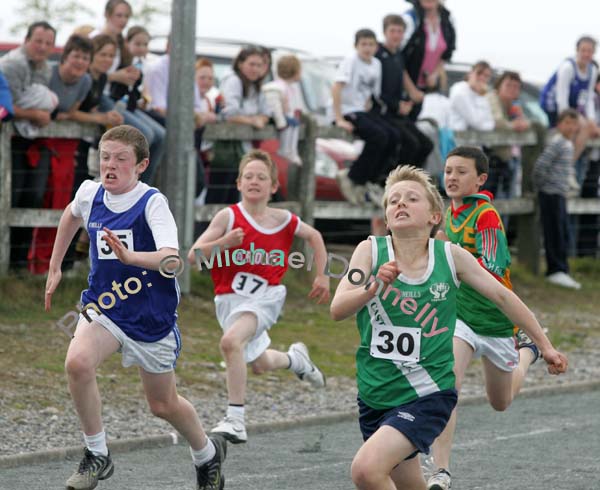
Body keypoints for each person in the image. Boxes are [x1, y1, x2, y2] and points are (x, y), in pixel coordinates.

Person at [329, 164, 568, 490]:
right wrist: (371, 288)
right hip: (375, 394)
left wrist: (545, 345)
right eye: (393, 201)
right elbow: (337, 308)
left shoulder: (450, 256)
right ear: (385, 219)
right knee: (410, 484)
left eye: (412, 198)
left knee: (366, 471)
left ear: (434, 217)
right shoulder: (368, 252)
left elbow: (502, 295)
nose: (400, 204)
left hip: (428, 393)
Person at [44, 125, 226, 490]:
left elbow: (172, 261)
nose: (110, 166)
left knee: (162, 405)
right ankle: (97, 454)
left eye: (121, 159)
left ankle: (207, 455)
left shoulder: (152, 203)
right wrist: (55, 265)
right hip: (104, 306)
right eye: (105, 157)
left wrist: (131, 257)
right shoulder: (90, 192)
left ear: (141, 165)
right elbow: (70, 215)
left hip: (150, 316)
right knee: (77, 363)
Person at [427, 145, 566, 490]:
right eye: (448, 171)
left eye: (461, 171)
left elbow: (492, 271)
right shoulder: (448, 213)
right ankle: (439, 471)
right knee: (447, 386)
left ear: (481, 179)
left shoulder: (486, 216)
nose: (452, 177)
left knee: (500, 402)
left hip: (497, 321)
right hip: (459, 318)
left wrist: (546, 346)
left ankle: (527, 352)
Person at [187, 149, 329, 444]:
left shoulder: (284, 219)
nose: (254, 181)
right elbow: (194, 256)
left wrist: (322, 275)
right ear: (238, 183)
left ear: (273, 187)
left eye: (261, 177)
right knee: (259, 364)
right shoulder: (227, 217)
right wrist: (225, 242)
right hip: (230, 301)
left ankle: (236, 419)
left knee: (230, 343)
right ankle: (296, 360)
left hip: (267, 296)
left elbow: (314, 236)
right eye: (248, 176)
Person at [0, 21, 56, 268]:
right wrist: (35, 114)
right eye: (38, 41)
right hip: (10, 141)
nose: (42, 47)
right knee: (9, 197)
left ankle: (19, 263)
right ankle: (7, 262)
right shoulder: (13, 65)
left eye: (48, 43)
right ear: (26, 39)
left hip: (34, 140)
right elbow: (6, 107)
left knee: (32, 196)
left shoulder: (46, 69)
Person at [332, 28, 401, 206]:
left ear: (376, 47)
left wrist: (370, 105)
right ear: (356, 46)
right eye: (363, 44)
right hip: (348, 110)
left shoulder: (376, 64)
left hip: (363, 110)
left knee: (393, 136)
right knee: (379, 136)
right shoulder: (351, 60)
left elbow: (372, 92)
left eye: (371, 44)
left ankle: (372, 179)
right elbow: (337, 87)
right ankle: (353, 176)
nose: (367, 48)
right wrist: (339, 118)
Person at [206, 45, 271, 204]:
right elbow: (229, 113)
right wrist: (252, 121)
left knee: (234, 196)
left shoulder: (256, 86)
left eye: (259, 65)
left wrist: (260, 119)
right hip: (226, 149)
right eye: (251, 64)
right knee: (219, 195)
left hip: (242, 150)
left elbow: (266, 112)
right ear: (241, 63)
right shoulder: (233, 80)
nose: (255, 69)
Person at [375, 14, 433, 170]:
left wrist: (409, 98)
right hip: (382, 112)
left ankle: (409, 181)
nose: (396, 35)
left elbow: (402, 77)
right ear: (385, 32)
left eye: (400, 31)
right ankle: (388, 181)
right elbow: (374, 90)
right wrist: (396, 105)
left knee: (426, 145)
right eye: (392, 31)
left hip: (398, 112)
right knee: (410, 144)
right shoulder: (377, 55)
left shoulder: (399, 56)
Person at [532, 109, 582, 290]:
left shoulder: (568, 144)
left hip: (560, 194)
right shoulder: (558, 143)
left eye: (574, 123)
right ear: (559, 124)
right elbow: (541, 166)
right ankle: (555, 270)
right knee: (554, 232)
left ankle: (562, 269)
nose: (571, 127)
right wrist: (542, 187)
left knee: (562, 231)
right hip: (550, 194)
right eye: (567, 122)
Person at [540, 35, 600, 162]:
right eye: (583, 50)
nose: (586, 54)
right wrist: (571, 121)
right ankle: (565, 164)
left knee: (586, 126)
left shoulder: (593, 70)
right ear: (577, 50)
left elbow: (588, 98)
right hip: (552, 105)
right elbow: (561, 98)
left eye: (590, 51)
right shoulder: (568, 67)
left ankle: (568, 163)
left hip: (572, 106)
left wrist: (591, 120)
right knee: (572, 129)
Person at [401, 0, 456, 120]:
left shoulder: (447, 20)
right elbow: (396, 57)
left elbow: (447, 53)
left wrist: (435, 73)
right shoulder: (410, 19)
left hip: (428, 89)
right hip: (404, 88)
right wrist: (411, 90)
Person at [485, 71, 531, 199]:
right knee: (491, 199)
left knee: (507, 197)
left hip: (508, 158)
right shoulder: (492, 97)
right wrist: (514, 126)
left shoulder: (514, 106)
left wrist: (522, 120)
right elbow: (497, 121)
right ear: (499, 85)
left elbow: (526, 123)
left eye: (516, 86)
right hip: (491, 158)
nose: (512, 89)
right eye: (508, 85)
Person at [262, 54, 303, 165]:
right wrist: (281, 121)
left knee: (295, 124)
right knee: (291, 125)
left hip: (285, 117)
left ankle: (291, 150)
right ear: (294, 71)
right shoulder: (277, 87)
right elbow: (274, 106)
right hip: (277, 117)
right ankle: (286, 149)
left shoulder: (289, 87)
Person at [448, 60, 494, 132]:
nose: (482, 78)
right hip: (457, 139)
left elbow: (491, 123)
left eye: (486, 76)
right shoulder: (459, 90)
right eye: (479, 73)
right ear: (470, 73)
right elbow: (476, 123)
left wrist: (481, 95)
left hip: (474, 140)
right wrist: (481, 95)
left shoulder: (482, 94)